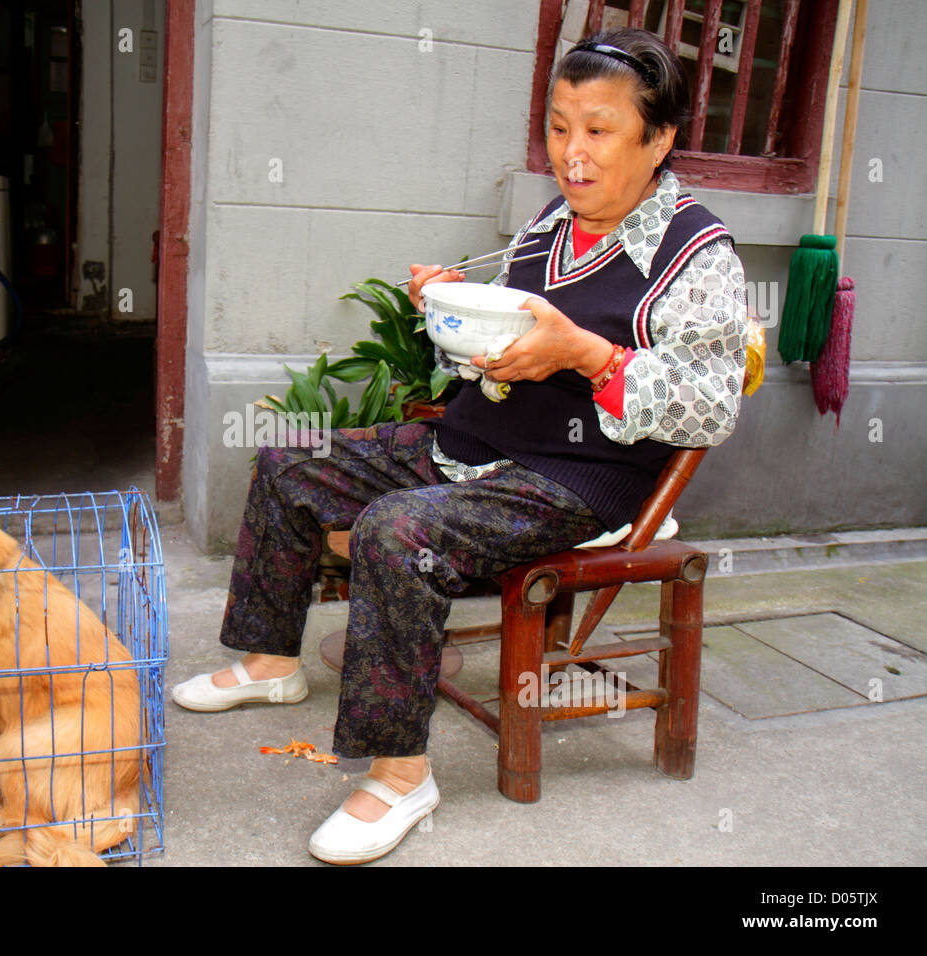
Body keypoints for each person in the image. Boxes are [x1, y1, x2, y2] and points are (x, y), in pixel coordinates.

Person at [172, 27, 747, 865]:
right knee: (288, 463)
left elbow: (709, 407)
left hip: (580, 476)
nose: (571, 154)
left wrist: (587, 353)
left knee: (398, 531)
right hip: (476, 443)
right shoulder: (551, 224)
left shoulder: (698, 254)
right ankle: (270, 662)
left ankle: (401, 775)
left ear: (657, 140)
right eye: (557, 128)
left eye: (598, 130)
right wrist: (449, 313)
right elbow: (493, 349)